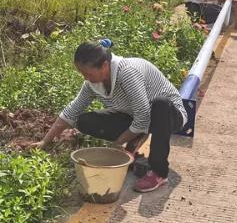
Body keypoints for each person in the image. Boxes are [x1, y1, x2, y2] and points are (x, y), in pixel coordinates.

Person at [33, 40, 186, 193]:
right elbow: (71, 112)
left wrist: (118, 144)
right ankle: (135, 137)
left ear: (105, 65)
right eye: (82, 73)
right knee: (85, 121)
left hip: (168, 115)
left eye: (88, 73)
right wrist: (44, 142)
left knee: (160, 104)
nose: (85, 78)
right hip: (135, 115)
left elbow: (144, 117)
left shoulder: (128, 73)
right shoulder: (92, 84)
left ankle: (159, 172)